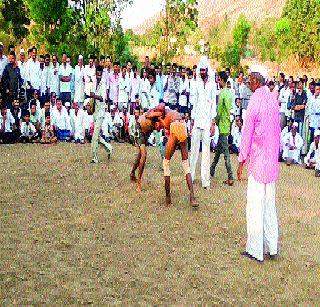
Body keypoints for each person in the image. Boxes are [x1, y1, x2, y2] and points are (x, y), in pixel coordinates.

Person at [237, 65, 281, 263]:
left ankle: (255, 249)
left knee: (255, 205)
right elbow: (278, 132)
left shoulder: (255, 100)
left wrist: (241, 160)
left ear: (257, 80)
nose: (248, 81)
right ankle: (272, 247)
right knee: (269, 205)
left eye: (250, 78)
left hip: (258, 161)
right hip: (271, 163)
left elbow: (247, 133)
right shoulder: (272, 99)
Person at [189, 61, 216, 189]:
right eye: (201, 70)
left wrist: (213, 123)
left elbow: (213, 105)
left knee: (206, 153)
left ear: (207, 71)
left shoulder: (212, 85)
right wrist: (192, 120)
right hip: (197, 120)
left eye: (204, 70)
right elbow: (194, 102)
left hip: (207, 122)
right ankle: (191, 177)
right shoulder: (196, 84)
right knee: (193, 150)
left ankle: (205, 181)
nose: (202, 72)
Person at [210, 71, 234, 186]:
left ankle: (230, 176)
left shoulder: (222, 94)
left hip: (223, 124)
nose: (217, 81)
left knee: (225, 153)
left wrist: (215, 120)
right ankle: (211, 170)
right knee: (219, 150)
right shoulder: (229, 93)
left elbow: (219, 111)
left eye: (218, 79)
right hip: (227, 124)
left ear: (222, 80)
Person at [87, 65, 110, 163]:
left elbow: (103, 98)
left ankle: (94, 157)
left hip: (101, 111)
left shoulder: (104, 83)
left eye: (100, 72)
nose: (98, 74)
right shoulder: (94, 82)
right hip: (95, 111)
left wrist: (94, 96)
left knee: (95, 135)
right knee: (96, 135)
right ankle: (108, 147)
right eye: (97, 72)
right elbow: (91, 95)